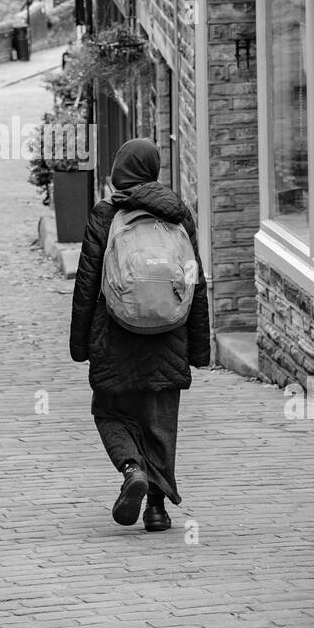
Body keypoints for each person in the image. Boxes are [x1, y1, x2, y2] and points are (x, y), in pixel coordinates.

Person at [69, 137, 210, 531]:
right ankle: (157, 510)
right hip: (170, 338)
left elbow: (86, 284)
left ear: (120, 171)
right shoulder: (180, 217)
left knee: (109, 410)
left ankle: (132, 468)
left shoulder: (104, 215)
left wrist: (80, 344)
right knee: (160, 425)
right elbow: (194, 282)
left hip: (115, 336)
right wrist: (199, 348)